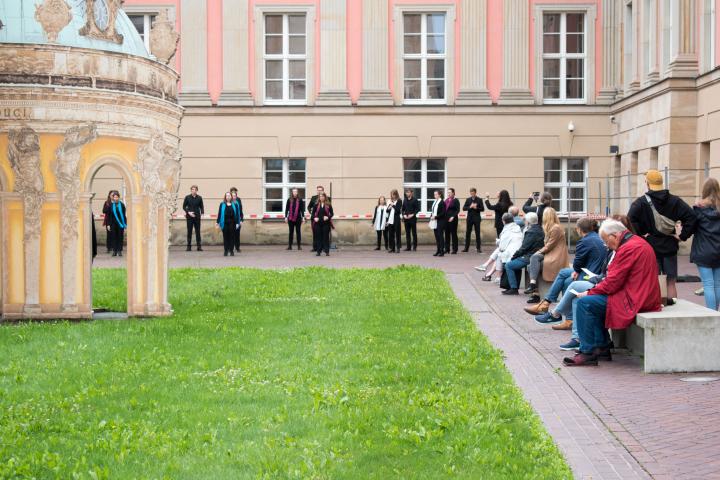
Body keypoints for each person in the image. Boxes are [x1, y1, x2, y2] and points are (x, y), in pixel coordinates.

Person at [564, 219, 661, 367]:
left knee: (585, 303)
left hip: (635, 298)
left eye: (605, 240)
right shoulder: (635, 242)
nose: (606, 245)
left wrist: (590, 292)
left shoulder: (628, 248)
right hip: (640, 294)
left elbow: (612, 283)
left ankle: (588, 352)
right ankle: (602, 346)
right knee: (592, 301)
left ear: (614, 236)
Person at [537, 215, 633, 351]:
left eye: (607, 239)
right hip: (597, 277)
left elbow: (611, 277)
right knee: (567, 278)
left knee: (574, 287)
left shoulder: (618, 248)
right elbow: (607, 272)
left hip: (603, 283)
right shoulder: (610, 245)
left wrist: (592, 285)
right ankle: (563, 320)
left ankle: (555, 313)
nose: (605, 243)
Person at [628, 170, 696, 302]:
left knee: (652, 279)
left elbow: (629, 221)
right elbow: (692, 217)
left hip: (649, 246)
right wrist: (683, 236)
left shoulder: (640, 203)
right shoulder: (675, 201)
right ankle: (674, 307)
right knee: (671, 281)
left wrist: (641, 236)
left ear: (647, 183)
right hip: (670, 244)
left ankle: (657, 306)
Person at [526, 217, 607, 317]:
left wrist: (576, 270)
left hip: (591, 273)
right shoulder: (596, 237)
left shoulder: (585, 241)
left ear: (579, 229)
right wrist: (577, 270)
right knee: (564, 273)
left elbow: (578, 262)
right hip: (594, 270)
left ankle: (553, 308)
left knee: (567, 280)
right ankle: (547, 305)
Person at [524, 207, 569, 303]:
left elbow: (549, 245)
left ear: (547, 216)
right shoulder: (550, 227)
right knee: (532, 262)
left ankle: (534, 290)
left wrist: (538, 252)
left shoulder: (555, 228)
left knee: (532, 262)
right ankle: (534, 290)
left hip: (556, 256)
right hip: (550, 253)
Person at [689, 177, 720, 310]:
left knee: (708, 284)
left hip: (703, 251)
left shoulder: (698, 209)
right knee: (717, 284)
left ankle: (712, 314)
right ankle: (716, 312)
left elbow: (691, 228)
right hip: (719, 251)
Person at [502, 212, 544, 295]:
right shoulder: (541, 229)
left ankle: (514, 288)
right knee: (514, 263)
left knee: (508, 265)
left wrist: (515, 255)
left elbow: (524, 247)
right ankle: (514, 287)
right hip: (537, 255)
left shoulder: (531, 232)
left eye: (525, 220)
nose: (524, 221)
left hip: (530, 256)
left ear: (528, 222)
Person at [476, 213, 523, 282]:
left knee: (500, 253)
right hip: (516, 250)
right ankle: (488, 270)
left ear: (503, 221)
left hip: (513, 253)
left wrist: (498, 242)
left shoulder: (507, 230)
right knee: (499, 252)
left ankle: (495, 274)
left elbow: (502, 247)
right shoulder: (516, 227)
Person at [103, 190, 126, 257]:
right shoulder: (111, 205)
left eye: (117, 197)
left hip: (120, 224)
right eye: (114, 197)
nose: (116, 198)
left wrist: (125, 224)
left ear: (119, 197)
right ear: (113, 198)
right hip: (113, 224)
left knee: (120, 237)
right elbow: (109, 216)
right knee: (114, 237)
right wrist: (108, 224)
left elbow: (124, 215)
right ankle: (114, 251)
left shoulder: (122, 205)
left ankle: (119, 250)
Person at [308, 186, 330, 252]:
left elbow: (329, 208)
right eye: (318, 190)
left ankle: (323, 248)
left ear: (323, 191)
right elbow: (309, 207)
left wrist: (327, 216)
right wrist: (311, 211)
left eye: (320, 190)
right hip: (315, 219)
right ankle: (315, 247)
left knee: (324, 234)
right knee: (315, 233)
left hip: (324, 219)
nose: (319, 191)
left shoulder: (327, 198)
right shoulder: (313, 198)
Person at [182, 185, 204, 252]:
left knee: (198, 232)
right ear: (191, 190)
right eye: (192, 189)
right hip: (189, 217)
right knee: (189, 231)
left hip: (197, 217)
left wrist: (202, 213)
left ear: (197, 190)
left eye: (195, 189)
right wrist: (188, 212)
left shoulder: (199, 198)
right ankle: (189, 247)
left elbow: (201, 206)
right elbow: (184, 206)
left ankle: (199, 246)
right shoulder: (187, 197)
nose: (193, 190)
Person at [463, 188, 484, 253]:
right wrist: (470, 207)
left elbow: (482, 209)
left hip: (477, 218)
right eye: (471, 193)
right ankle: (466, 248)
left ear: (475, 193)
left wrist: (476, 208)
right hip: (469, 218)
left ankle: (478, 248)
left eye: (473, 193)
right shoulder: (468, 199)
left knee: (477, 233)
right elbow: (464, 208)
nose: (472, 194)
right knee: (468, 233)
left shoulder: (479, 199)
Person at [216, 192, 238, 257]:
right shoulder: (222, 204)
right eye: (227, 196)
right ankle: (226, 251)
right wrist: (217, 222)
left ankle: (231, 251)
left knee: (232, 237)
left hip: (232, 223)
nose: (228, 197)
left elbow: (237, 215)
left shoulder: (235, 204)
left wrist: (237, 223)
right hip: (224, 223)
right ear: (225, 197)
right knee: (225, 237)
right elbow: (219, 213)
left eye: (229, 195)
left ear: (231, 197)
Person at [430, 189, 446, 257]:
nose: (435, 195)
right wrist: (431, 215)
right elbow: (433, 211)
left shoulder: (442, 202)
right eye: (434, 194)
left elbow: (443, 213)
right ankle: (438, 250)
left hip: (440, 221)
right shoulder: (435, 202)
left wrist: (435, 217)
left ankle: (442, 251)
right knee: (437, 237)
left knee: (440, 236)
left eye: (436, 194)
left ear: (439, 195)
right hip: (435, 221)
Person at [444, 188, 460, 254]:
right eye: (448, 192)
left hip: (453, 219)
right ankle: (447, 249)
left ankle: (454, 249)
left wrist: (453, 216)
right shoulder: (446, 200)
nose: (449, 194)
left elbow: (457, 210)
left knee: (453, 234)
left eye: (450, 192)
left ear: (453, 193)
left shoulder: (456, 200)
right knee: (446, 234)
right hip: (446, 219)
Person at [229, 187, 244, 253]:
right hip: (231, 221)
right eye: (232, 192)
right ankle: (231, 247)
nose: (233, 193)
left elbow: (241, 210)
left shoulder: (238, 200)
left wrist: (241, 219)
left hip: (238, 220)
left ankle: (237, 247)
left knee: (237, 235)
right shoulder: (228, 200)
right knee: (231, 234)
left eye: (235, 192)